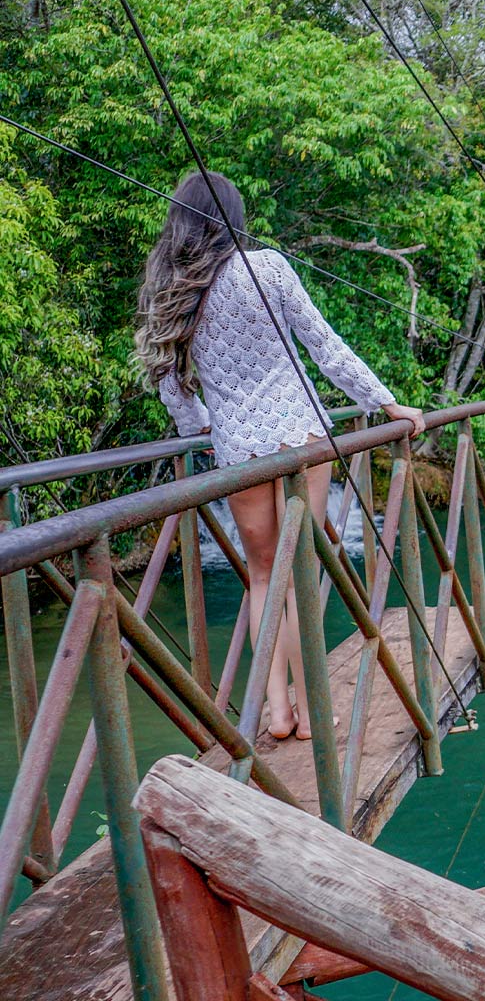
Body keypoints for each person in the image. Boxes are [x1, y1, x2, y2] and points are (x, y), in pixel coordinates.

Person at [136, 172, 424, 741]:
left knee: (262, 575)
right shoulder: (265, 268)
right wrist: (386, 403)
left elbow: (172, 387)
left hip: (240, 450)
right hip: (301, 440)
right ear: (234, 217)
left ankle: (278, 712)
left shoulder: (172, 288)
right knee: (300, 573)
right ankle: (315, 711)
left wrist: (197, 427)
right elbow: (325, 346)